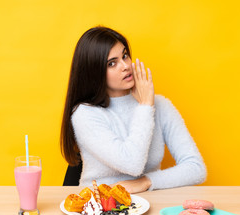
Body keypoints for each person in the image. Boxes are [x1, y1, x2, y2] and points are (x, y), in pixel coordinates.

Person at [60, 26, 206, 193]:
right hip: (99, 206)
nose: (125, 66)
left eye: (125, 55)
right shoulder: (85, 114)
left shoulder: (160, 105)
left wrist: (147, 182)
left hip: (148, 205)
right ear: (95, 72)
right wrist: (145, 107)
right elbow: (132, 164)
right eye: (112, 63)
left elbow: (196, 168)